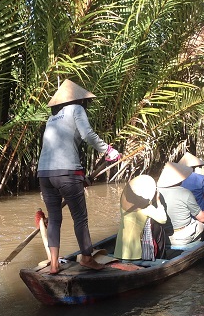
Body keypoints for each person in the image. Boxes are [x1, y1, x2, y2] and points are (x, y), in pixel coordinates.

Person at [37, 79, 121, 274]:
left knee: (55, 219)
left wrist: (81, 177)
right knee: (80, 218)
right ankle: (86, 257)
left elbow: (59, 150)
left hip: (44, 174)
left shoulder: (52, 118)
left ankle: (55, 265)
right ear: (79, 100)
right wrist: (108, 150)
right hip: (67, 172)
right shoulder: (76, 109)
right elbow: (87, 134)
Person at [157, 162, 204, 246]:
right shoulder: (185, 192)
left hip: (163, 236)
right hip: (182, 237)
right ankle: (202, 242)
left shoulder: (156, 193)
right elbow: (203, 218)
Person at [114, 175, 168, 261]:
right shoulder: (146, 208)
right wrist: (158, 201)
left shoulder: (124, 205)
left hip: (119, 251)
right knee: (158, 227)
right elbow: (163, 219)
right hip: (134, 253)